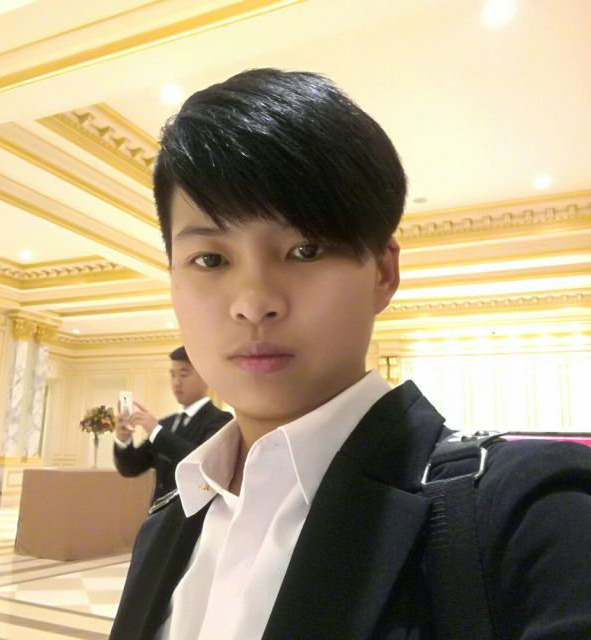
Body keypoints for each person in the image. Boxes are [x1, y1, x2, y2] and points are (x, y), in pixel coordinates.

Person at [110, 69, 591, 639]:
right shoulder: (167, 525)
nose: (254, 303)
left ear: (383, 273)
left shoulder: (526, 513)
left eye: (305, 250)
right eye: (210, 260)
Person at [113, 345, 232, 503]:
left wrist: (156, 432)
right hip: (158, 514)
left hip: (194, 515)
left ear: (206, 377)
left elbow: (202, 466)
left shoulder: (221, 420)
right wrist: (123, 440)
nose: (176, 382)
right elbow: (130, 468)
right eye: (172, 375)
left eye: (184, 374)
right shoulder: (166, 424)